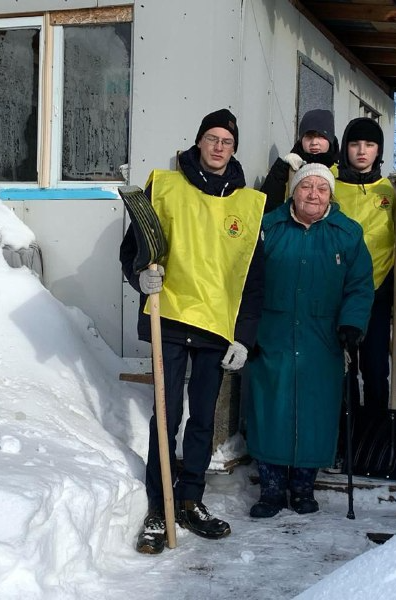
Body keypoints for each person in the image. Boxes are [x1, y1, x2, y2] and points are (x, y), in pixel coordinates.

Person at [120, 109, 266, 553]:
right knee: (166, 417)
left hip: (215, 327)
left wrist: (244, 334)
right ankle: (157, 507)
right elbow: (135, 246)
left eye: (226, 140)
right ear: (198, 142)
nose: (219, 146)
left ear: (234, 148)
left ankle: (189, 499)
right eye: (212, 138)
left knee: (203, 418)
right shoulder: (164, 185)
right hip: (171, 314)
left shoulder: (248, 203)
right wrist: (137, 276)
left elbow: (253, 277)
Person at [246, 162, 374, 518]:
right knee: (270, 407)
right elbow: (245, 280)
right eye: (306, 186)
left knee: (316, 409)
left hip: (323, 338)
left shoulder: (347, 233)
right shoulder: (268, 227)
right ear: (294, 191)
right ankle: (271, 490)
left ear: (331, 194)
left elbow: (360, 285)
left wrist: (351, 324)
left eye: (321, 188)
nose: (313, 194)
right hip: (272, 333)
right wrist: (247, 331)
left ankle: (303, 488)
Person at [333, 117, 396, 462]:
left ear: (379, 151)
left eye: (369, 145)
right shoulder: (330, 185)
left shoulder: (391, 191)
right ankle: (343, 439)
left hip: (376, 292)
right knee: (341, 371)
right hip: (334, 292)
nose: (361, 151)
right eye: (355, 144)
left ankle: (373, 441)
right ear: (346, 147)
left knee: (374, 369)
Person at [260, 109, 339, 213]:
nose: (314, 142)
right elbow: (266, 208)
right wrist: (280, 171)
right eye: (309, 137)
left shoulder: (340, 173)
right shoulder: (288, 169)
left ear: (330, 140)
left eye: (321, 136)